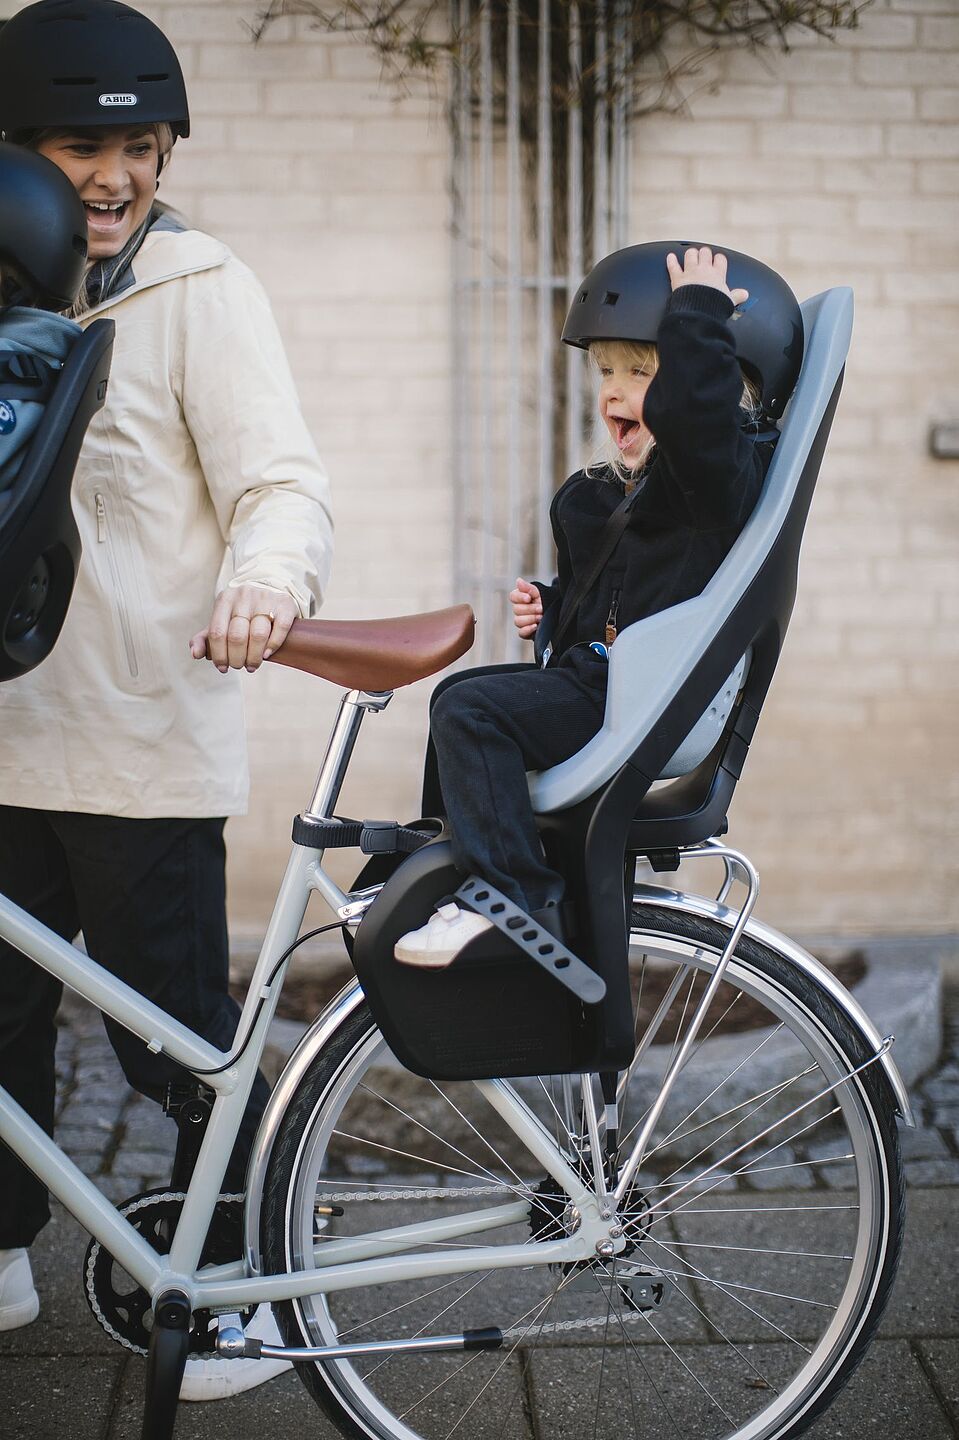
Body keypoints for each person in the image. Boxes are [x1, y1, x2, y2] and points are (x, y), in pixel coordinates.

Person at [0, 0, 333, 1402]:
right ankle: (1, 1253)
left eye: (141, 147)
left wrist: (265, 580)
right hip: (6, 747)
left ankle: (246, 1294)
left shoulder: (202, 289)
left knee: (176, 1044)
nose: (117, 177)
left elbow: (282, 483)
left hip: (141, 749)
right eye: (82, 147)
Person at [396, 243, 791, 966]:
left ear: (723, 381)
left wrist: (696, 313)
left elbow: (697, 424)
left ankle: (507, 898)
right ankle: (447, 868)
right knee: (463, 694)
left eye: (640, 372)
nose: (613, 391)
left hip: (644, 698)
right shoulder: (608, 494)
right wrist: (551, 610)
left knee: (471, 712)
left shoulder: (710, 482)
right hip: (605, 682)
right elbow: (619, 602)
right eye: (605, 370)